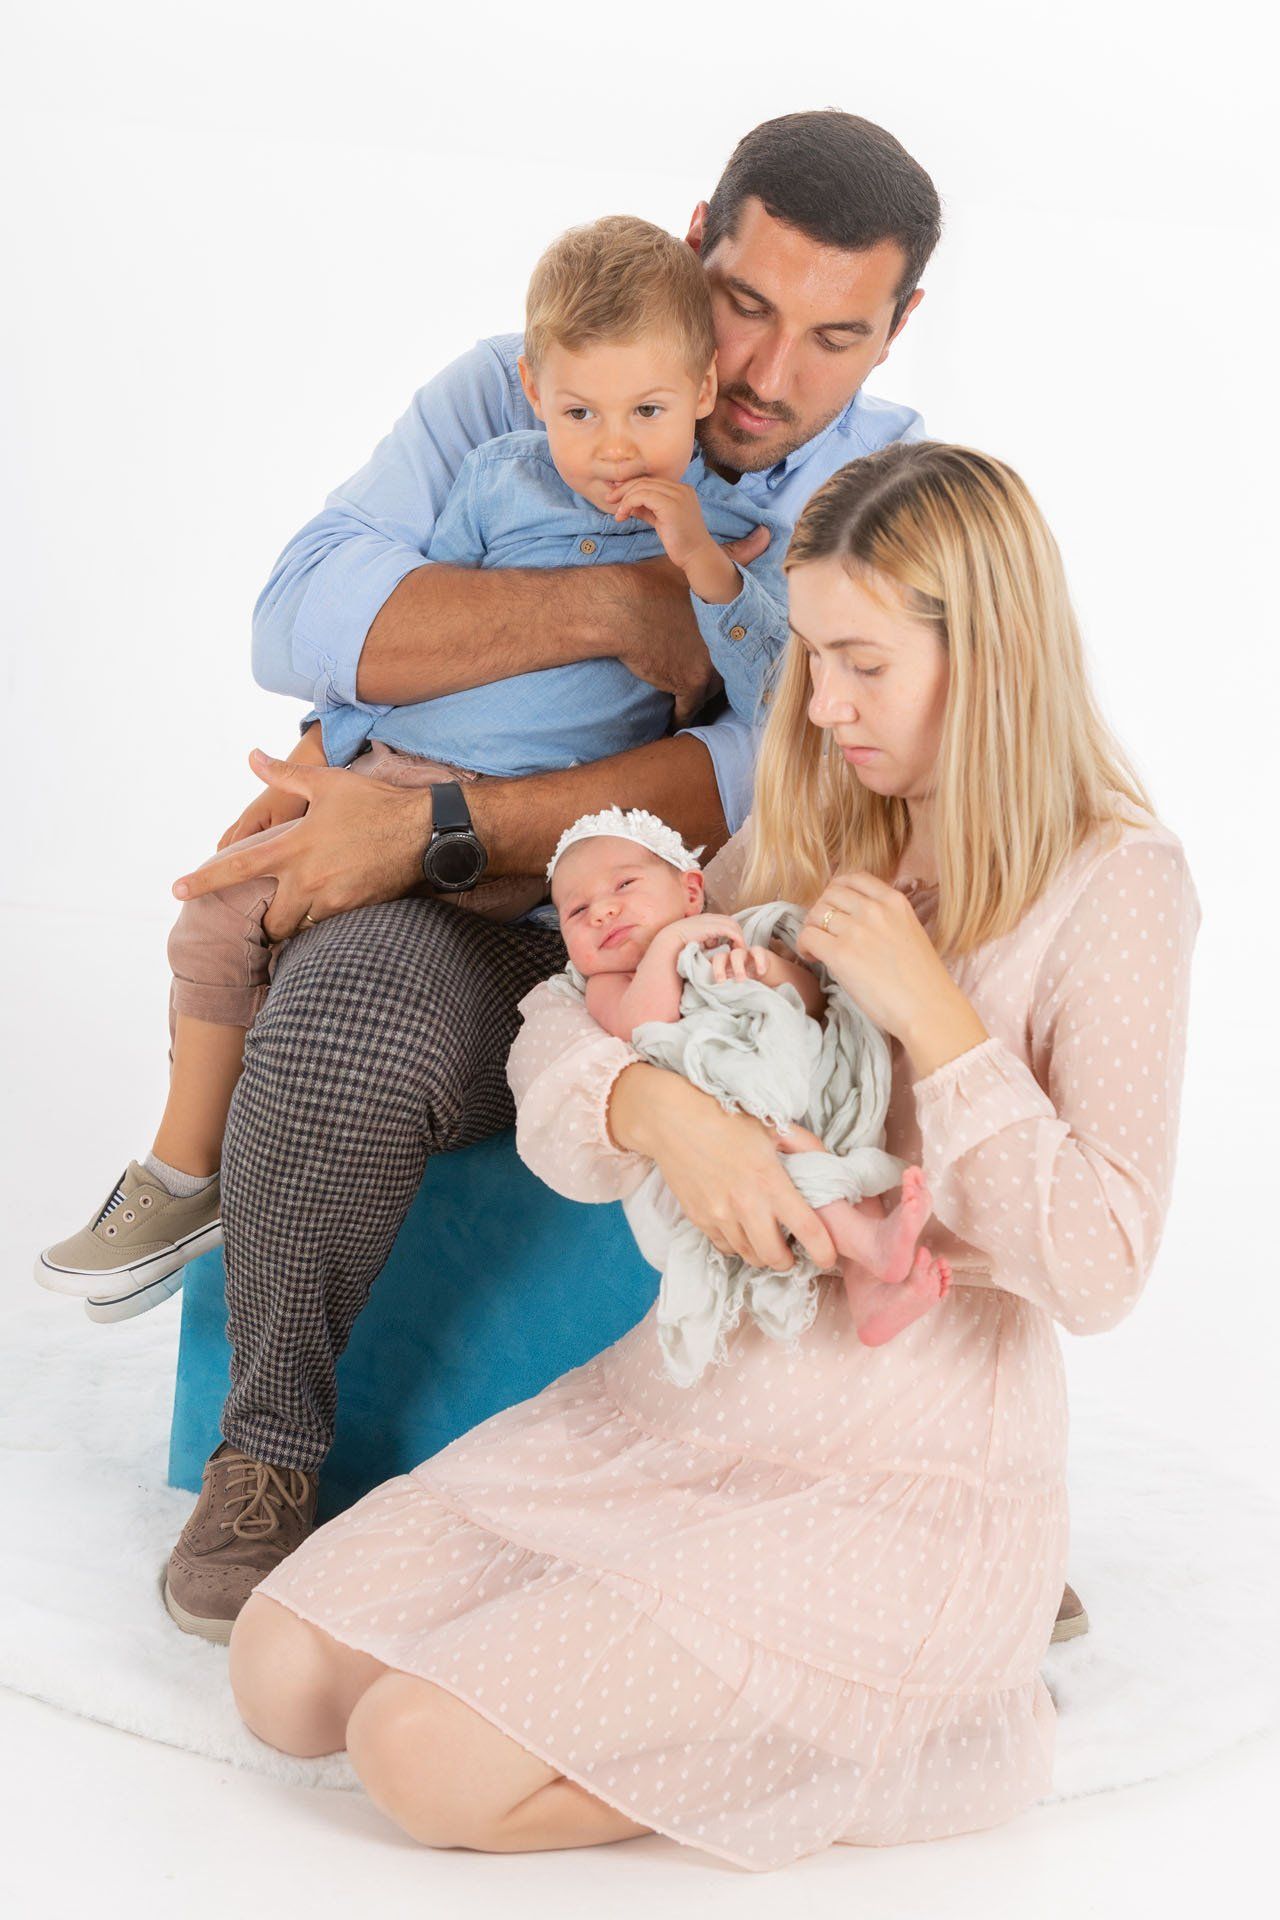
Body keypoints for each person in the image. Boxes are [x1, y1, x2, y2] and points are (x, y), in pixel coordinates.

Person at [227, 440, 1198, 1869]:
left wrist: (936, 1021)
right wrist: (653, 1110)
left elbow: (1102, 1268)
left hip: (896, 1476)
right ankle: (703, 1677)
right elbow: (563, 1012)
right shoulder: (811, 827)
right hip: (672, 1411)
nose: (826, 705)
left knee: (418, 1762)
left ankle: (889, 1717)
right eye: (812, 659)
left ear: (990, 655)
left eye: (865, 664)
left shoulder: (1117, 882)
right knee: (281, 1675)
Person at [147, 109, 964, 1643]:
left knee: (906, 1048)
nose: (765, 373)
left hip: (716, 930)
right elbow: (301, 620)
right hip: (467, 922)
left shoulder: (890, 491)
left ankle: (910, 1476)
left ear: (899, 326)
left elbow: (773, 762)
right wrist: (615, 604)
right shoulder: (518, 387)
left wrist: (438, 814)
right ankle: (265, 1455)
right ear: (697, 239)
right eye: (744, 306)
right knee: (334, 1028)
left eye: (834, 336)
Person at [34, 214, 789, 1323]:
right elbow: (415, 639)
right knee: (222, 911)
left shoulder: (728, 532)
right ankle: (185, 1173)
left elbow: (776, 700)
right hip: (396, 766)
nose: (614, 449)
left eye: (648, 413)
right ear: (532, 391)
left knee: (363, 954)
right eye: (579, 414)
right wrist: (323, 746)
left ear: (702, 390)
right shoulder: (498, 483)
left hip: (541, 835)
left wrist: (704, 572)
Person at [545, 804, 951, 1363]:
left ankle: (870, 1294)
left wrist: (768, 971)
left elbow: (812, 1002)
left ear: (691, 892)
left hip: (790, 1086)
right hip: (723, 1129)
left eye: (624, 885)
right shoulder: (606, 985)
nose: (603, 911)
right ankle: (867, 1243)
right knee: (790, 1151)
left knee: (842, 1145)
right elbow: (646, 1026)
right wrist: (669, 946)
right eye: (577, 910)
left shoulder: (732, 940)